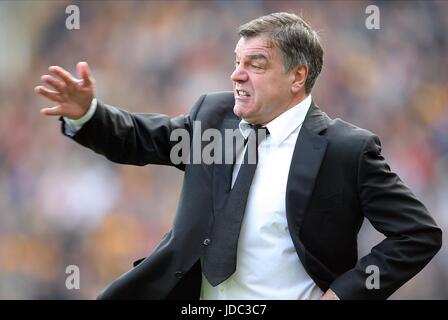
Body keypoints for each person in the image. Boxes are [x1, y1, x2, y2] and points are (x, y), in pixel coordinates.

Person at [35, 12, 442, 300]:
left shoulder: (345, 149)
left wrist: (345, 294)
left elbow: (417, 234)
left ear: (298, 76)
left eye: (256, 64)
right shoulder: (213, 119)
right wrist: (87, 113)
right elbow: (139, 138)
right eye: (237, 62)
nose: (237, 74)